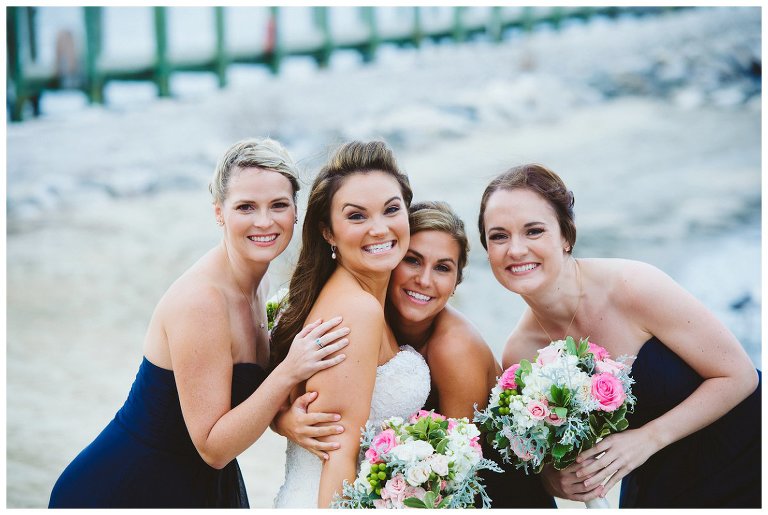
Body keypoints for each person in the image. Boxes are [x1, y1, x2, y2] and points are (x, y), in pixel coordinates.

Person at [48, 138, 350, 508]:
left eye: (278, 205)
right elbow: (213, 448)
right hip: (127, 488)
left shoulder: (260, 285)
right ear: (219, 212)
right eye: (246, 207)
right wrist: (289, 371)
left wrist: (284, 418)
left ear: (295, 211)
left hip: (195, 483)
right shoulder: (202, 302)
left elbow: (243, 401)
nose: (264, 221)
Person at [477, 163, 761, 508]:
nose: (515, 250)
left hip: (748, 457)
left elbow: (739, 376)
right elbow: (554, 457)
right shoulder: (522, 354)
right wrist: (555, 480)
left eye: (534, 231)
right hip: (662, 487)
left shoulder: (633, 287)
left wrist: (648, 438)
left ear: (566, 236)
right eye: (499, 236)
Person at [275, 200, 556, 508]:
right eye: (412, 261)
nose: (424, 280)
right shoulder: (366, 315)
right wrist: (285, 421)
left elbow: (457, 472)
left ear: (456, 283)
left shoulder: (455, 348)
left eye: (442, 268)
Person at [270, 140, 431, 508]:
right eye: (357, 216)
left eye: (391, 209)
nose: (379, 229)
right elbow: (338, 453)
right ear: (328, 232)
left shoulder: (364, 296)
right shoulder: (357, 309)